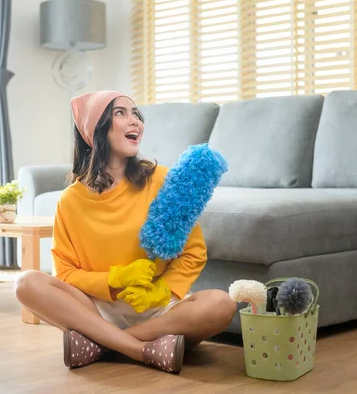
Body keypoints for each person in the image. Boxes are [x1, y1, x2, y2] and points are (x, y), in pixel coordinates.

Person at [14, 90, 236, 373]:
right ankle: (143, 349)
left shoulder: (163, 181)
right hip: (99, 308)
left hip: (160, 311)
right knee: (26, 283)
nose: (135, 122)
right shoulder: (71, 201)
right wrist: (117, 278)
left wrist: (161, 290)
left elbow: (193, 253)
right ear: (97, 129)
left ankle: (101, 343)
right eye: (121, 113)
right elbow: (66, 274)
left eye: (136, 114)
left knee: (222, 304)